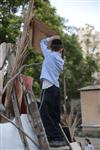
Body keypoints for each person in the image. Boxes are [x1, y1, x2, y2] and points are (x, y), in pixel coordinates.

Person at [39, 35, 65, 147]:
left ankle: (54, 138)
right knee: (54, 115)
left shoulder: (49, 55)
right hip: (56, 88)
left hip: (48, 87)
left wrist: (51, 37)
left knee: (43, 113)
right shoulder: (60, 60)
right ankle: (59, 138)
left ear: (52, 47)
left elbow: (42, 42)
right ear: (61, 49)